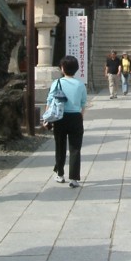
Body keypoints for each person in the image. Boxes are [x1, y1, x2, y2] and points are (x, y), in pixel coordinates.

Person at [46, 55, 88, 188]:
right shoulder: (80, 84)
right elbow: (83, 104)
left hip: (60, 117)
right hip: (75, 117)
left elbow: (50, 101)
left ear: (62, 68)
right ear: (76, 69)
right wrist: (79, 116)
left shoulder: (57, 83)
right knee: (75, 148)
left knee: (60, 146)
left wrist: (47, 118)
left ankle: (60, 174)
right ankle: (74, 179)